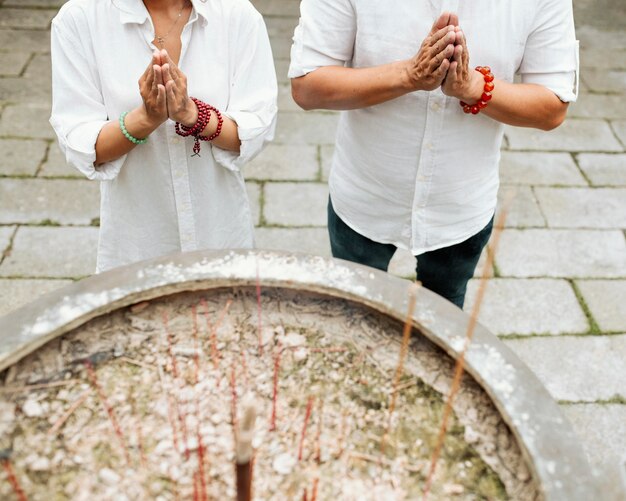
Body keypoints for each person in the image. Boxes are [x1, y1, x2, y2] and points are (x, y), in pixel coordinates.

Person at [289, 2, 578, 308]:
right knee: (355, 319)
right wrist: (409, 74)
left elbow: (552, 106)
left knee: (443, 326)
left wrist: (473, 87)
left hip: (460, 206)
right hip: (364, 195)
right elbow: (307, 86)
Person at [50, 0, 277, 273]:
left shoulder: (236, 14)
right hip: (136, 246)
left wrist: (192, 115)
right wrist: (145, 118)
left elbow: (255, 129)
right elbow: (82, 143)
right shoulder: (80, 18)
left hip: (219, 234)